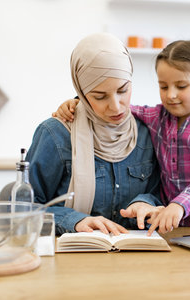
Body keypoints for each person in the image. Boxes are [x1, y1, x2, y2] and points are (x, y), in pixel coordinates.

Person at [54, 40, 190, 235]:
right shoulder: (157, 117)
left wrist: (179, 205)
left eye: (181, 86)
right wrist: (78, 103)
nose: (171, 95)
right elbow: (120, 109)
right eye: (164, 86)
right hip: (176, 228)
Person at [26, 32, 163, 236]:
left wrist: (147, 203)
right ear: (82, 93)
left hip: (135, 257)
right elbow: (23, 208)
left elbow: (159, 194)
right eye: (100, 96)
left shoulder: (145, 132)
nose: (116, 106)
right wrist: (75, 221)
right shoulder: (56, 135)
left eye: (123, 90)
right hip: (72, 260)